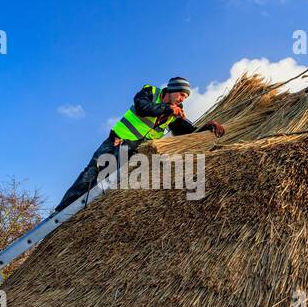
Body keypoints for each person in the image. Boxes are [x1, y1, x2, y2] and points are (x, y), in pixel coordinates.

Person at [54, 76, 225, 212]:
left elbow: (188, 133)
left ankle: (83, 213)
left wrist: (207, 127)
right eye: (182, 94)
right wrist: (167, 109)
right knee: (92, 173)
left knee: (112, 184)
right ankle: (62, 209)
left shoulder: (173, 115)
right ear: (172, 89)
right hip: (117, 141)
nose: (182, 99)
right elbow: (142, 106)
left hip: (134, 152)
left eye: (185, 97)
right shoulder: (150, 92)